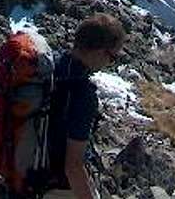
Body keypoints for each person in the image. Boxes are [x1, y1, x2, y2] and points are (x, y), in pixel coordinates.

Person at [43, 12, 125, 199]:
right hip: (54, 183)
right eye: (112, 57)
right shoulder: (83, 95)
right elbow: (72, 166)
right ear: (99, 51)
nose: (109, 63)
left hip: (22, 166)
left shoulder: (51, 64)